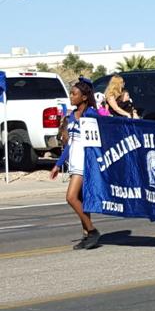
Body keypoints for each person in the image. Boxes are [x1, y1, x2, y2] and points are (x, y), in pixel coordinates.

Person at [50, 77, 102, 250]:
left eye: (74, 94)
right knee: (79, 199)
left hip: (84, 162)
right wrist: (58, 164)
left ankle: (93, 231)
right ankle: (87, 235)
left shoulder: (91, 114)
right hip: (74, 160)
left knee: (71, 197)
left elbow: (99, 139)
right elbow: (70, 143)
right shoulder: (72, 116)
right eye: (71, 93)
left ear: (84, 97)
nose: (71, 97)